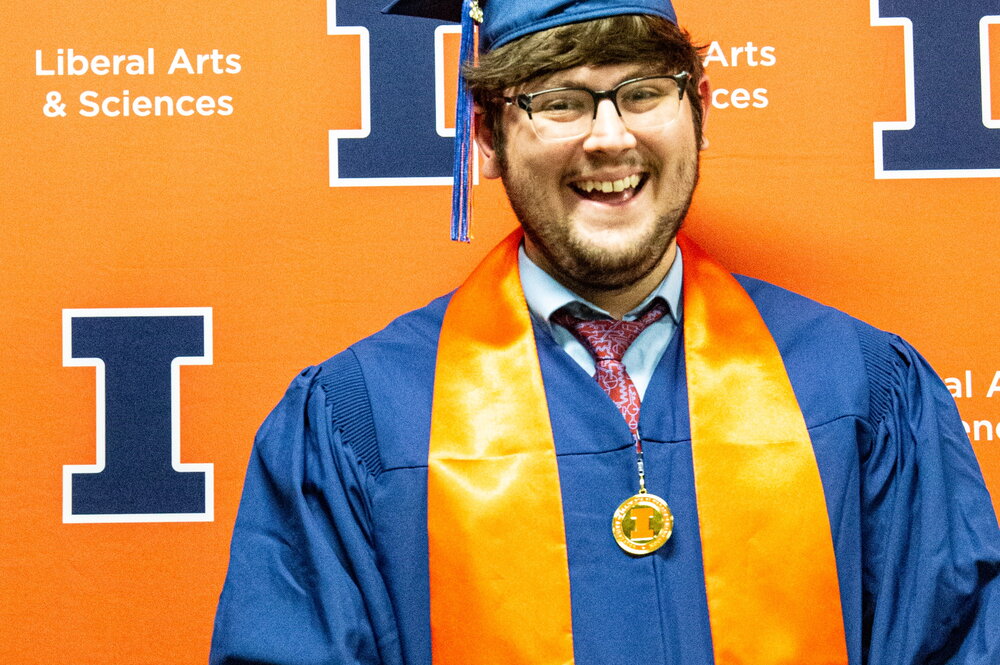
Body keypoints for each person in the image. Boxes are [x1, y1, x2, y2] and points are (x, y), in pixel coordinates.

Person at [210, 1, 1000, 663]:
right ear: (485, 137)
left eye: (644, 92)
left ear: (699, 112)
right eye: (558, 100)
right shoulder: (360, 418)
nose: (610, 136)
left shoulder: (858, 386)